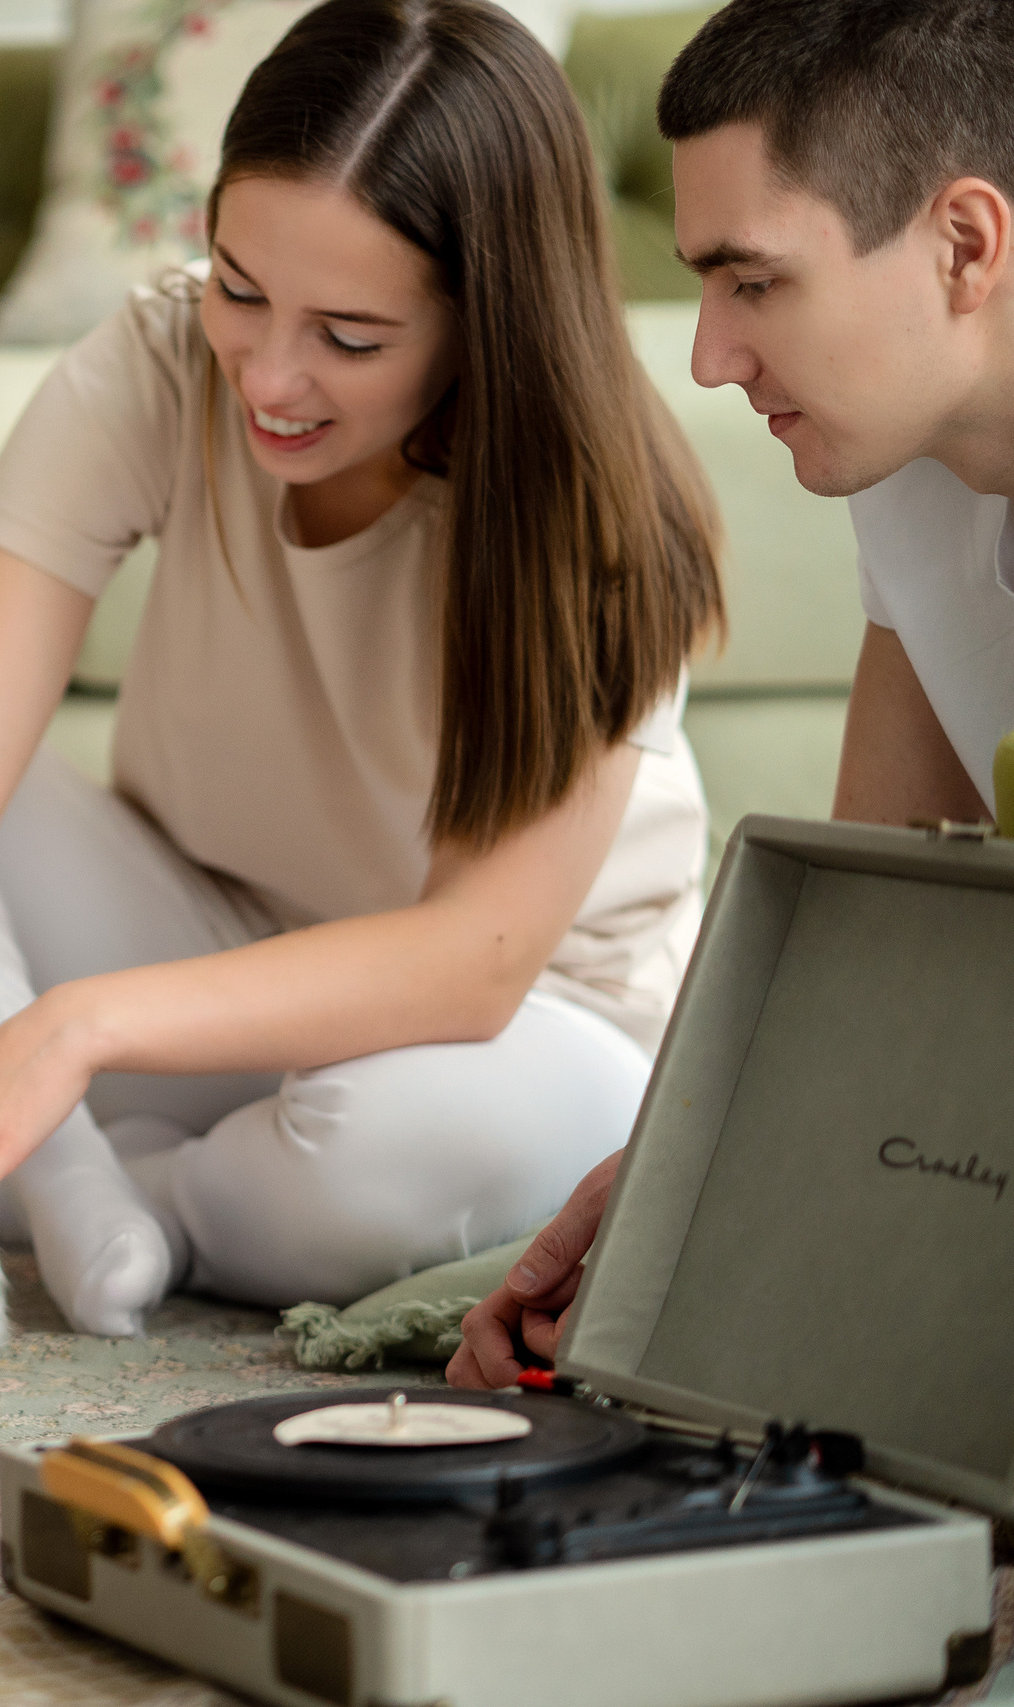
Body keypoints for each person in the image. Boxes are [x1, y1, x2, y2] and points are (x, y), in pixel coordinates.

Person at [0, 0, 726, 1345]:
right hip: (202, 940)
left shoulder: (596, 512)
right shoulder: (153, 362)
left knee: (403, 1142)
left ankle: (131, 1184)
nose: (269, 372)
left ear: (488, 318)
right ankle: (69, 1175)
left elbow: (470, 964)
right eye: (240, 289)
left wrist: (72, 1026)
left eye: (351, 337)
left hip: (508, 1033)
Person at [451, 0, 1014, 1388]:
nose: (708, 356)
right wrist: (678, 1207)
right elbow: (868, 954)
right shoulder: (908, 473)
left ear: (964, 245)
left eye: (753, 283)